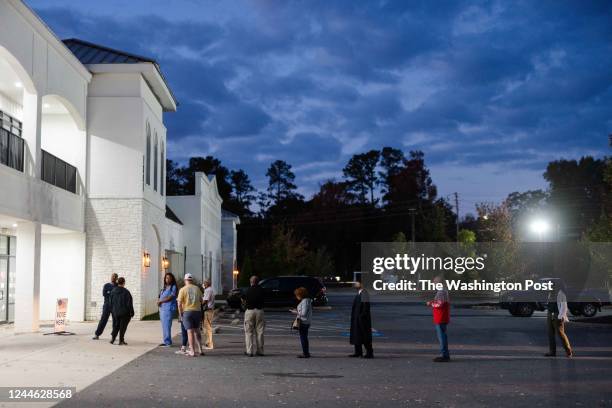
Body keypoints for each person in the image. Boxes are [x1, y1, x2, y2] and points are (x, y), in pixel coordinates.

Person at [177, 273, 203, 357]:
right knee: (197, 330)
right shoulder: (197, 289)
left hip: (187, 312)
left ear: (185, 280)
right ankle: (200, 349)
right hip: (197, 311)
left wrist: (180, 314)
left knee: (190, 331)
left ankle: (192, 351)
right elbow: (201, 300)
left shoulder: (183, 289)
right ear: (192, 280)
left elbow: (179, 304)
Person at [545, 280, 573, 358]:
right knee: (550, 334)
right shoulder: (550, 293)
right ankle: (552, 352)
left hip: (557, 315)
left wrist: (560, 316)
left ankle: (568, 351)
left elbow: (564, 306)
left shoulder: (561, 294)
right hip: (550, 314)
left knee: (560, 333)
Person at [426, 276, 450, 362]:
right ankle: (445, 354)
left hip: (440, 317)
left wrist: (430, 304)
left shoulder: (441, 292)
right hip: (442, 317)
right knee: (443, 335)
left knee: (441, 336)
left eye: (435, 282)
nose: (434, 284)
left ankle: (444, 355)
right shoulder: (444, 291)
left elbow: (439, 304)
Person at [349, 281, 373, 358]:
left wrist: (361, 316)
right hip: (357, 318)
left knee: (365, 336)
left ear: (362, 284)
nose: (355, 284)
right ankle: (358, 352)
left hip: (363, 320)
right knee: (357, 335)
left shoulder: (364, 293)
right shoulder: (359, 293)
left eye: (357, 283)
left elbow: (366, 307)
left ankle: (369, 353)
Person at [244, 275, 265, 357]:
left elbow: (244, 300)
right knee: (260, 332)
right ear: (258, 282)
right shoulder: (262, 290)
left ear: (251, 282)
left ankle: (249, 351)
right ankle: (260, 351)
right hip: (260, 311)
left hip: (250, 311)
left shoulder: (248, 290)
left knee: (249, 332)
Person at [109, 277, 134, 345]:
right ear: (124, 283)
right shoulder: (126, 292)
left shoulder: (113, 291)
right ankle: (121, 340)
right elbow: (129, 303)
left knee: (116, 325)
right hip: (124, 313)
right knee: (123, 327)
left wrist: (112, 311)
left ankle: (113, 339)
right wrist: (132, 312)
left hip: (115, 312)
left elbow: (110, 302)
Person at [92, 273, 118, 340]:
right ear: (111, 277)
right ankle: (97, 334)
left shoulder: (117, 286)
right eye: (112, 276)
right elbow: (104, 294)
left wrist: (109, 292)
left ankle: (113, 336)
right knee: (103, 320)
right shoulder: (106, 285)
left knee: (115, 321)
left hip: (114, 306)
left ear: (116, 278)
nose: (113, 278)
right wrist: (112, 294)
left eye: (115, 277)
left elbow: (117, 296)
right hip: (107, 305)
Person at [290, 287, 312, 358]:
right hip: (306, 321)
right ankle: (306, 352)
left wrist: (295, 312)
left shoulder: (305, 301)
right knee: (304, 337)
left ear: (300, 295)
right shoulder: (307, 300)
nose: (296, 297)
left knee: (303, 338)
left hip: (303, 322)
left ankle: (305, 353)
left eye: (297, 295)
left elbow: (304, 313)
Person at [158, 272, 178, 347]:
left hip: (168, 309)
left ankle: (168, 342)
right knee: (164, 325)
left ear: (172, 278)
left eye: (169, 278)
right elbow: (161, 296)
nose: (167, 279)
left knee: (167, 325)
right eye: (166, 278)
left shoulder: (173, 287)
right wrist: (159, 301)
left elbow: (171, 297)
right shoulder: (165, 287)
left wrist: (161, 301)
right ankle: (166, 340)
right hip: (162, 309)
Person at [202, 279, 215, 350]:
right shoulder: (210, 290)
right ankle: (207, 343)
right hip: (210, 310)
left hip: (208, 311)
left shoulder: (208, 290)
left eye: (204, 283)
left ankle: (210, 344)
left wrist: (199, 304)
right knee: (207, 327)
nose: (203, 284)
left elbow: (205, 301)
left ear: (207, 284)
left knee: (208, 328)